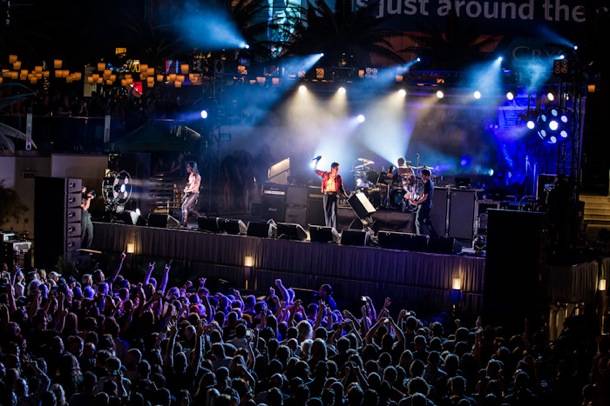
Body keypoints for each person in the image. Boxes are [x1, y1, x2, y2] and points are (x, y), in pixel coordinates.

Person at [314, 161, 347, 229]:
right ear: (332, 168)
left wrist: (345, 195)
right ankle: (328, 228)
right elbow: (316, 171)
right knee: (327, 213)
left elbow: (341, 187)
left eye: (338, 169)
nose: (337, 170)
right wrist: (316, 162)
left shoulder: (338, 177)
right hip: (327, 195)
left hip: (334, 195)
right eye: (336, 168)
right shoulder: (325, 174)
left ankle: (335, 229)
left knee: (334, 212)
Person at [409, 168, 436, 237]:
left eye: (422, 175)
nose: (421, 176)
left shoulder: (427, 184)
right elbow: (424, 194)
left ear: (426, 175)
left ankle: (419, 237)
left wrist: (417, 202)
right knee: (426, 221)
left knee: (418, 221)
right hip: (428, 205)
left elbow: (425, 197)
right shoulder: (430, 183)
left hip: (424, 205)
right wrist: (418, 199)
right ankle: (435, 236)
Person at [181, 161, 201, 227]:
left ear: (192, 167)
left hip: (194, 193)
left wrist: (188, 191)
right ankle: (201, 218)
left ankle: (184, 223)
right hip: (190, 193)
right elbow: (189, 185)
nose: (187, 168)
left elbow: (195, 188)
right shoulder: (191, 175)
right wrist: (185, 191)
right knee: (189, 209)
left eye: (188, 167)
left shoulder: (197, 176)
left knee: (184, 206)